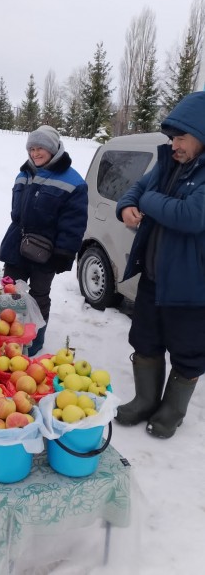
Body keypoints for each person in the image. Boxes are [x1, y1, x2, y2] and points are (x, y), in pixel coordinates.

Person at [115, 91, 205, 439]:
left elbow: (191, 215)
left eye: (181, 137)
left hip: (190, 287)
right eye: (171, 137)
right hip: (153, 278)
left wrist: (148, 201)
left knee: (188, 353)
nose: (174, 144)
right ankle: (145, 400)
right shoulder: (168, 161)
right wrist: (126, 206)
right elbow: (135, 187)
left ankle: (171, 411)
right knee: (145, 340)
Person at [0, 125, 88, 356]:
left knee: (38, 296)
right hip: (16, 244)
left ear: (53, 149)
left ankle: (34, 341)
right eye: (32, 149)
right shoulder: (23, 174)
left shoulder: (73, 181)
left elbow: (74, 222)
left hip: (45, 250)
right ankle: (8, 335)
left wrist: (64, 253)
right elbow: (16, 211)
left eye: (41, 148)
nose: (35, 153)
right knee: (10, 291)